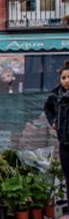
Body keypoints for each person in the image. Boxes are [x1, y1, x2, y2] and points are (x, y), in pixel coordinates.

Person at [45, 61, 69, 205]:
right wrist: (53, 121)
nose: (66, 81)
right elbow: (48, 108)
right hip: (64, 142)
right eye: (63, 78)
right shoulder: (55, 95)